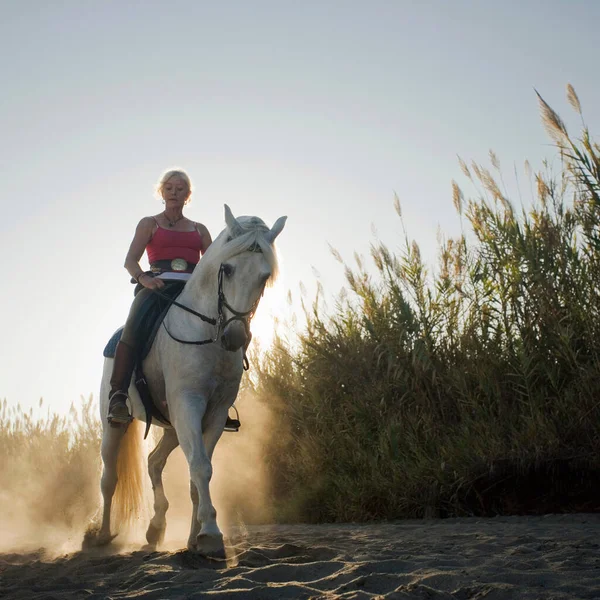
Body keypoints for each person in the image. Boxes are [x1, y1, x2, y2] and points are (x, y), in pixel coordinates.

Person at [107, 168, 212, 425]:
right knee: (132, 326)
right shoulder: (149, 223)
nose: (174, 193)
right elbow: (130, 260)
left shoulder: (200, 230)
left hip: (193, 291)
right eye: (169, 188)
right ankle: (118, 395)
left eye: (180, 189)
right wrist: (144, 279)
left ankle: (223, 399)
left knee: (226, 325)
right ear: (161, 192)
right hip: (157, 288)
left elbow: (210, 266)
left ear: (188, 195)